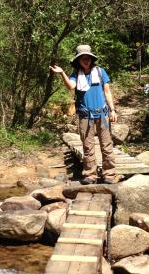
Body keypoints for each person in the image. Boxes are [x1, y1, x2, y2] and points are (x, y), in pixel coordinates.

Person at [50, 44, 118, 184]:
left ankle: (109, 174)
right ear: (78, 61)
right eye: (83, 58)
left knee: (106, 145)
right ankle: (90, 175)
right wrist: (62, 73)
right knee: (88, 147)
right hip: (85, 116)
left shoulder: (100, 72)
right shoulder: (75, 75)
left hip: (102, 115)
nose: (86, 61)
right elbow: (70, 86)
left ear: (91, 59)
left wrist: (112, 110)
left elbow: (107, 92)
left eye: (88, 58)